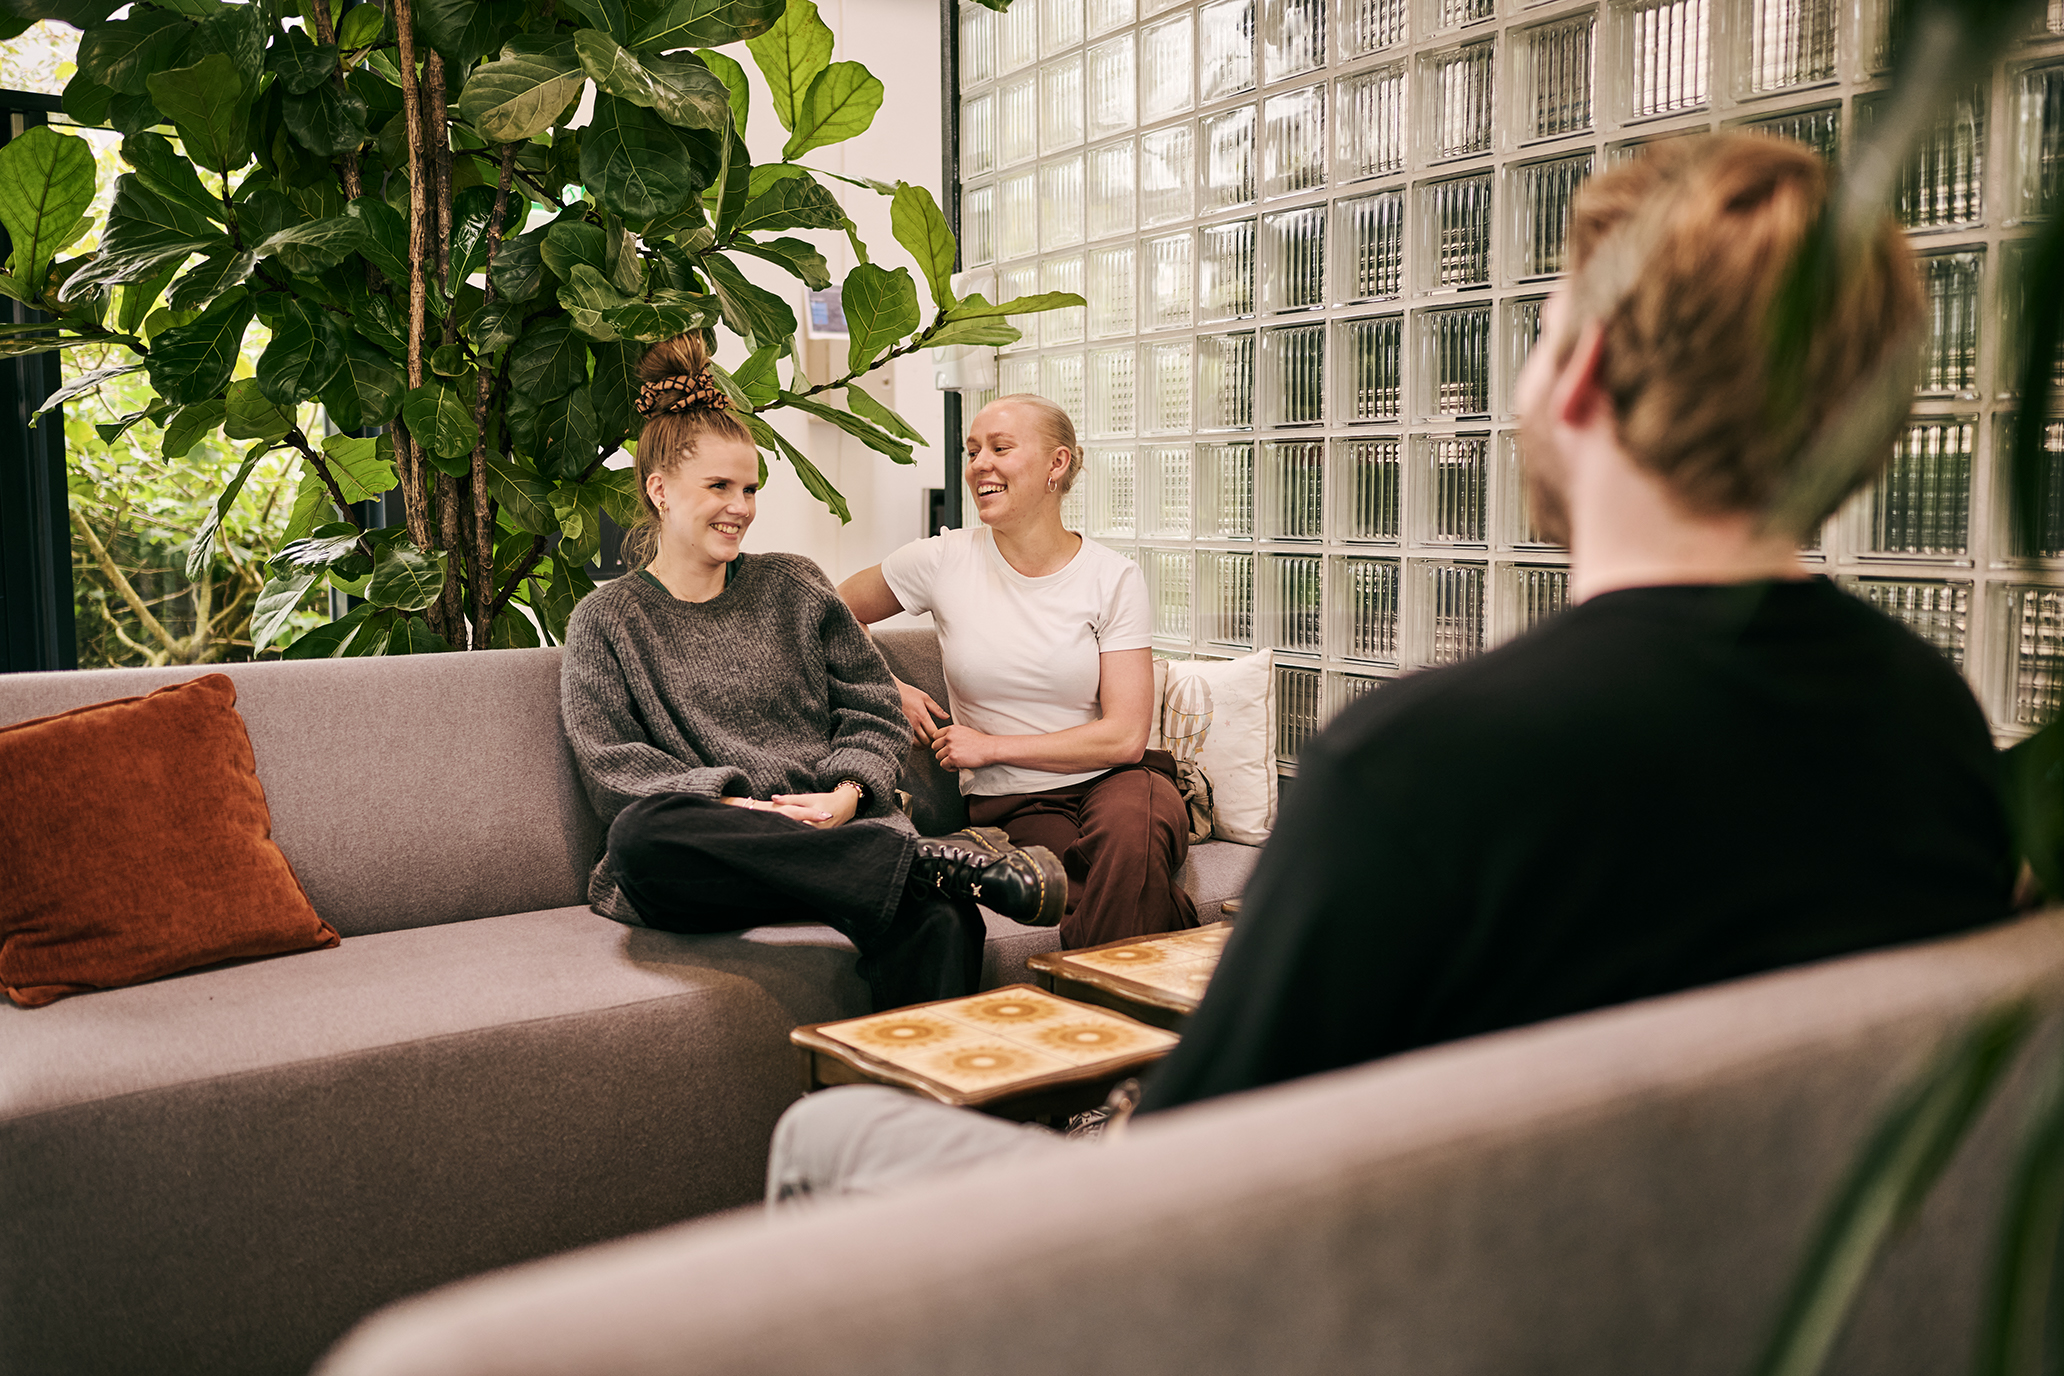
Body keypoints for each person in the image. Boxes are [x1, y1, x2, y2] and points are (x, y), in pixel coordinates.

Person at [764, 132, 2018, 1202]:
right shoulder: (1936, 727)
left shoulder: (1426, 764)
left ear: (1580, 378)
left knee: (826, 1132)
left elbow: (1203, 1178)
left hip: (1349, 1280)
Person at [558, 334, 1067, 1015]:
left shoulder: (793, 586)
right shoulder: (605, 620)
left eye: (748, 488)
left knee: (947, 920)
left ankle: (913, 1117)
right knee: (638, 837)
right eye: (718, 487)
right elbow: (612, 769)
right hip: (714, 854)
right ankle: (917, 866)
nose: (740, 506)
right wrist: (741, 810)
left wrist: (850, 794)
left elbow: (873, 709)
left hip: (837, 829)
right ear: (660, 491)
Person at [836, 395, 1197, 950]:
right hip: (1018, 805)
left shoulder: (1112, 578)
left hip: (1119, 783)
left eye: (1000, 448)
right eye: (972, 450)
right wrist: (890, 688)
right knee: (1095, 884)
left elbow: (1125, 737)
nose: (979, 463)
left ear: (1057, 464)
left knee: (1133, 835)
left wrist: (991, 746)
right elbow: (829, 613)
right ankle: (1167, 1002)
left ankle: (1095, 1020)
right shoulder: (940, 560)